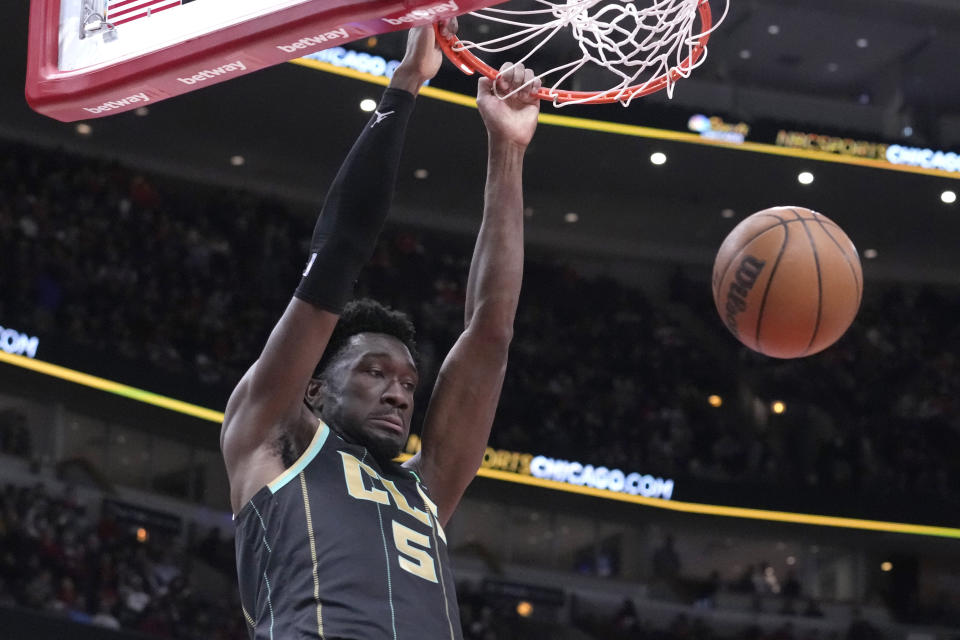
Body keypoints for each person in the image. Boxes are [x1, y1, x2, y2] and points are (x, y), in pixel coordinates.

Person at [220, 19, 542, 640]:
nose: (400, 392)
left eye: (407, 381)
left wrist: (509, 151)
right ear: (314, 389)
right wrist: (406, 84)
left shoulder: (424, 489)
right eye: (374, 372)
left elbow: (491, 329)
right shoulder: (275, 435)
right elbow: (340, 249)